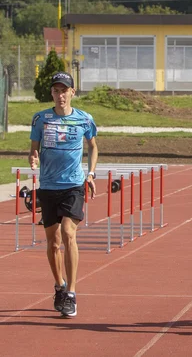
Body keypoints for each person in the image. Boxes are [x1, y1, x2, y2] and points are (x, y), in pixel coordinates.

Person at [29, 71, 98, 318]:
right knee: (53, 242)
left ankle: (71, 293)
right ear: (52, 93)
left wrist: (90, 173)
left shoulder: (84, 119)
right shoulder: (41, 119)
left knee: (69, 233)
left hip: (73, 185)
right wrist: (34, 158)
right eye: (56, 90)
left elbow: (93, 146)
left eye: (64, 90)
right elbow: (33, 150)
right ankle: (59, 285)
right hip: (48, 186)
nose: (60, 95)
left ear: (72, 92)